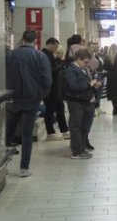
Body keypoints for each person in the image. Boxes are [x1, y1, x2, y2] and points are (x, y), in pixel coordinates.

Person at [6, 30, 52, 177]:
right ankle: (24, 168)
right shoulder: (40, 56)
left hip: (12, 99)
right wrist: (41, 96)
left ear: (22, 39)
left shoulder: (10, 55)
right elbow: (47, 80)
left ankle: (3, 165)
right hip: (32, 100)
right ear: (36, 41)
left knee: (8, 133)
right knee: (27, 135)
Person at [61, 47, 102, 159]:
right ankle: (76, 151)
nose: (87, 64)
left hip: (86, 101)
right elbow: (74, 86)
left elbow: (84, 84)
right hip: (76, 102)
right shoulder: (70, 70)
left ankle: (82, 147)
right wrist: (89, 84)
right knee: (76, 127)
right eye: (85, 61)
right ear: (78, 59)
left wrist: (93, 86)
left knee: (85, 127)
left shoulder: (82, 69)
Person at [41, 37, 69, 140]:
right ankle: (50, 133)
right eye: (55, 47)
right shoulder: (45, 55)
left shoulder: (49, 55)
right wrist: (60, 66)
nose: (56, 49)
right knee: (50, 109)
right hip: (50, 88)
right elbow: (50, 71)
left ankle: (64, 130)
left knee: (60, 107)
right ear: (50, 44)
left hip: (55, 88)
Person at [105, 43, 117, 115]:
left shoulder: (107, 57)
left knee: (113, 94)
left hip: (111, 77)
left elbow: (105, 67)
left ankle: (115, 108)